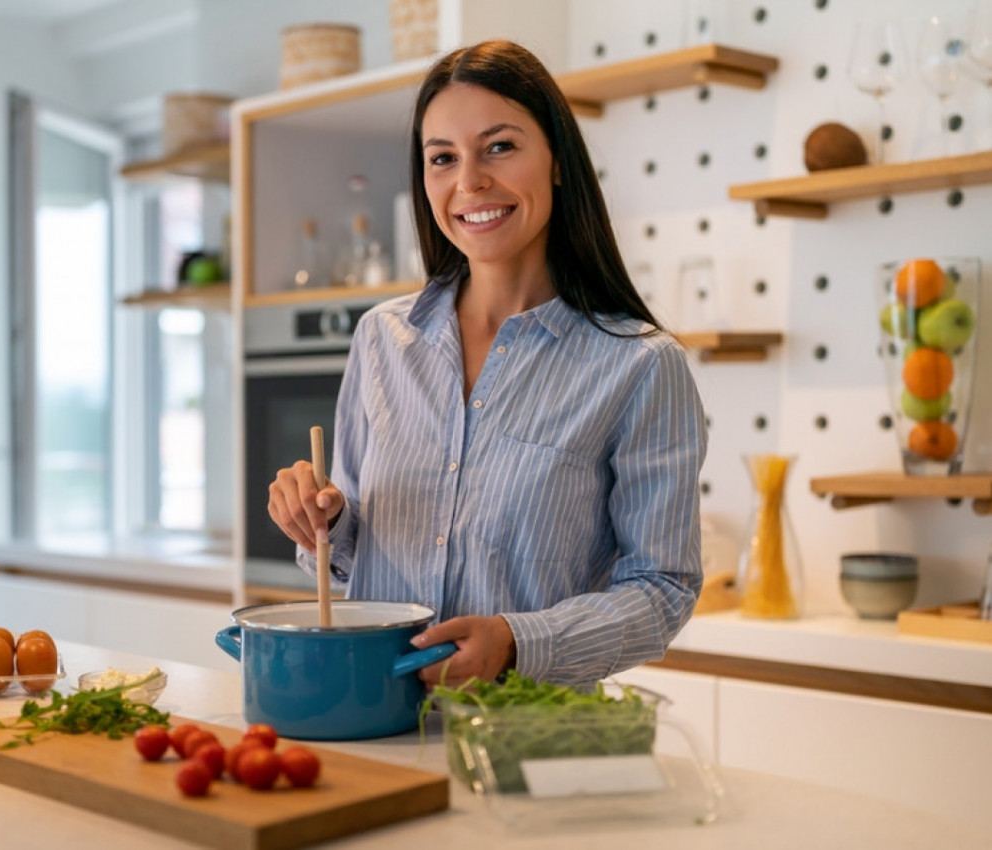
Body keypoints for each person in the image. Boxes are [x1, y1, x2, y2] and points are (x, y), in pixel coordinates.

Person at [266, 39, 707, 688]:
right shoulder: (381, 339)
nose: (468, 182)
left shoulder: (640, 366)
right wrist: (321, 524)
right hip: (376, 718)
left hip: (525, 732)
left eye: (499, 147)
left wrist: (516, 643)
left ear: (558, 162)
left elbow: (662, 589)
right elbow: (348, 561)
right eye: (442, 158)